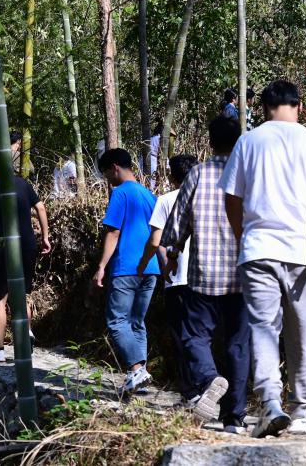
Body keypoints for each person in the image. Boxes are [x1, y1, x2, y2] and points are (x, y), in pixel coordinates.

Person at [220, 80, 306, 439]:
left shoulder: (248, 142)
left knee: (263, 327)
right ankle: (301, 411)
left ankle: (271, 403)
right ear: (299, 106)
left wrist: (243, 237)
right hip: (302, 251)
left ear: (263, 108)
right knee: (300, 330)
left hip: (258, 249)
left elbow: (232, 199)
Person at [157, 117, 250, 433]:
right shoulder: (248, 174)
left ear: (210, 142)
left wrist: (172, 253)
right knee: (238, 344)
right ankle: (234, 418)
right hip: (242, 273)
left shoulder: (198, 174)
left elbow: (178, 220)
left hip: (204, 274)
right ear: (239, 141)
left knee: (195, 335)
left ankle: (210, 379)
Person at [0, 150, 52, 362]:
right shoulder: (21, 183)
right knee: (22, 294)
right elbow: (40, 207)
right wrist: (45, 237)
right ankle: (25, 336)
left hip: (2, 245)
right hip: (27, 245)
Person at [95, 148, 160, 394]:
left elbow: (113, 232)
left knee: (117, 321)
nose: (107, 179)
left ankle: (136, 369)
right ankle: (138, 378)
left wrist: (101, 266)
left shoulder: (120, 193)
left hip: (126, 267)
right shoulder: (149, 195)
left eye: (106, 173)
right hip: (150, 268)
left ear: (115, 168)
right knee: (136, 322)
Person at [137, 153, 198, 401]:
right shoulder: (211, 195)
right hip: (210, 278)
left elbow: (156, 241)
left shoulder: (166, 200)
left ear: (172, 176)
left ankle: (191, 394)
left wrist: (145, 264)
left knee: (182, 337)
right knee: (203, 335)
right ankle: (208, 385)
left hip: (178, 277)